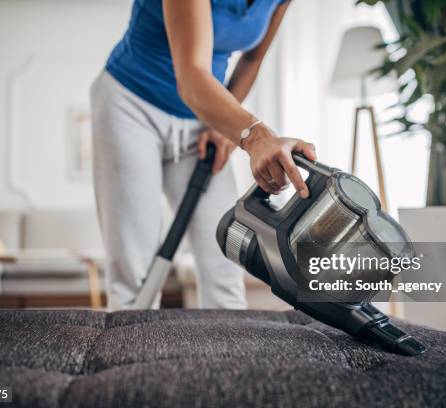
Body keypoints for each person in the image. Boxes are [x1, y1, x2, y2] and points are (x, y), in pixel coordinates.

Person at [90, 0, 316, 310]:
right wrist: (254, 136)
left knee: (226, 258)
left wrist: (225, 128)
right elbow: (192, 75)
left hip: (204, 116)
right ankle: (128, 352)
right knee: (134, 274)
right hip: (131, 104)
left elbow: (252, 58)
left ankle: (229, 358)